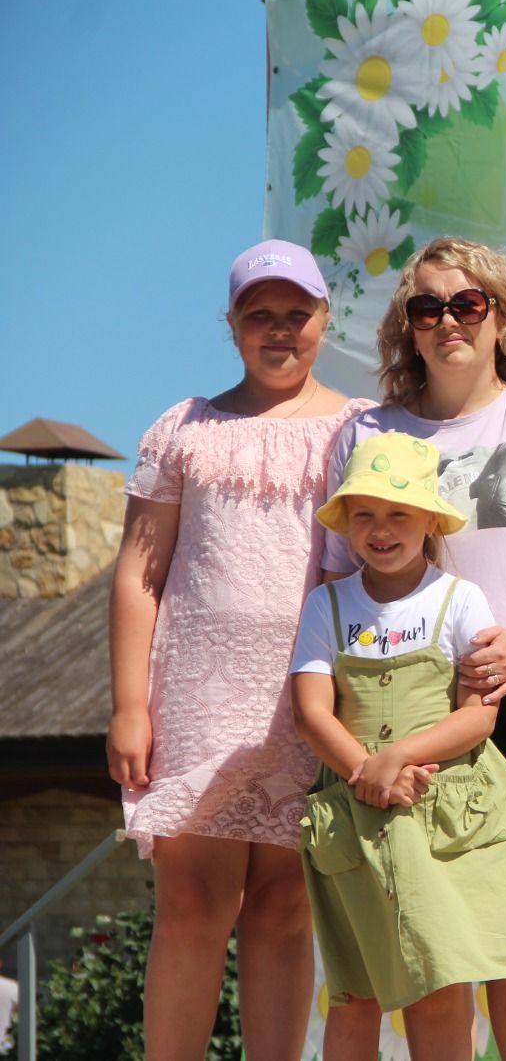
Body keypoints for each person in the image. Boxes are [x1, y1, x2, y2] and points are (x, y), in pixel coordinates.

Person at [322, 237, 506, 1060]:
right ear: (408, 330)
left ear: (502, 317)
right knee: (430, 926)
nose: (447, 320)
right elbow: (335, 574)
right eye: (427, 308)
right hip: (399, 716)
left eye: (467, 304)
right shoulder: (368, 430)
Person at [107, 240, 370, 1061]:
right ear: (231, 325)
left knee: (286, 904)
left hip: (314, 700)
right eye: (261, 315)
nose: (280, 331)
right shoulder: (184, 427)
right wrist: (127, 706)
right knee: (190, 901)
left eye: (298, 315)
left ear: (327, 321)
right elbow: (137, 574)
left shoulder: (362, 428)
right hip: (196, 697)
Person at [291, 432, 506, 1060]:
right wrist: (366, 770)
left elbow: (478, 719)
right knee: (354, 992)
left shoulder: (460, 599)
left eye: (399, 513)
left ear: (431, 520)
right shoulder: (325, 604)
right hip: (355, 818)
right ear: (347, 524)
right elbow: (310, 711)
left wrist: (400, 760)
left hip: (442, 818)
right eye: (365, 515)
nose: (381, 529)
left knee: (441, 980)